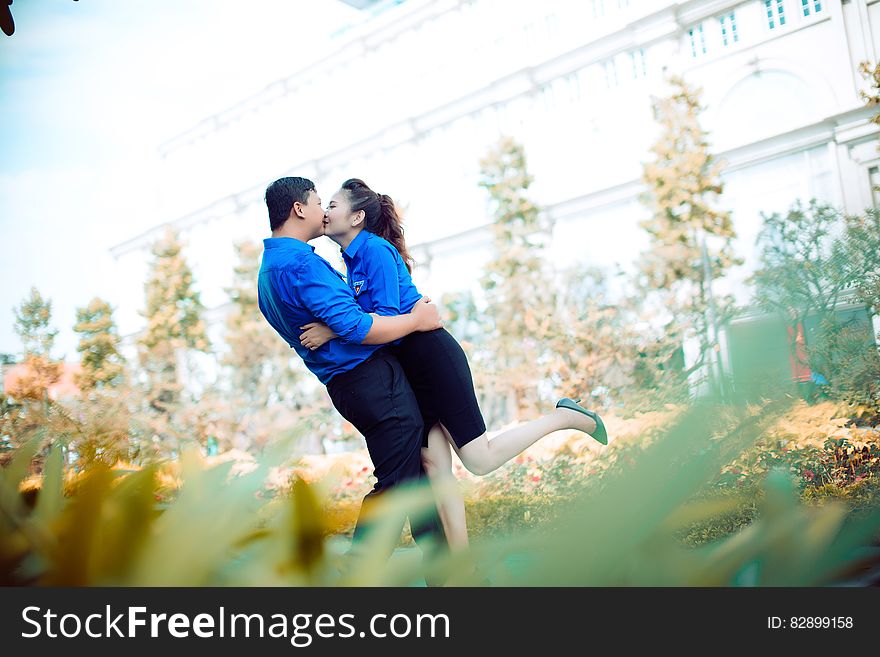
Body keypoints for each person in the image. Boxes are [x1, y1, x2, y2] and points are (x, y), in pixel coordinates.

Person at [299, 178, 608, 550]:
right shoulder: (351, 260)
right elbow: (372, 320)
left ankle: (566, 417)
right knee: (435, 469)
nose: (326, 212)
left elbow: (386, 323)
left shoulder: (376, 252)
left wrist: (333, 332)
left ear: (357, 216)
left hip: (430, 357)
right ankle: (461, 568)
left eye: (332, 205)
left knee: (479, 458)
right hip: (406, 369)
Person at [257, 176, 449, 576]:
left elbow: (340, 317)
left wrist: (337, 326)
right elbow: (361, 329)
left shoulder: (268, 270)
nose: (322, 210)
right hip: (371, 380)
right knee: (398, 485)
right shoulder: (300, 263)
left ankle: (447, 574)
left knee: (411, 478)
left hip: (346, 386)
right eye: (317, 202)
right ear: (299, 209)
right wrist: (416, 319)